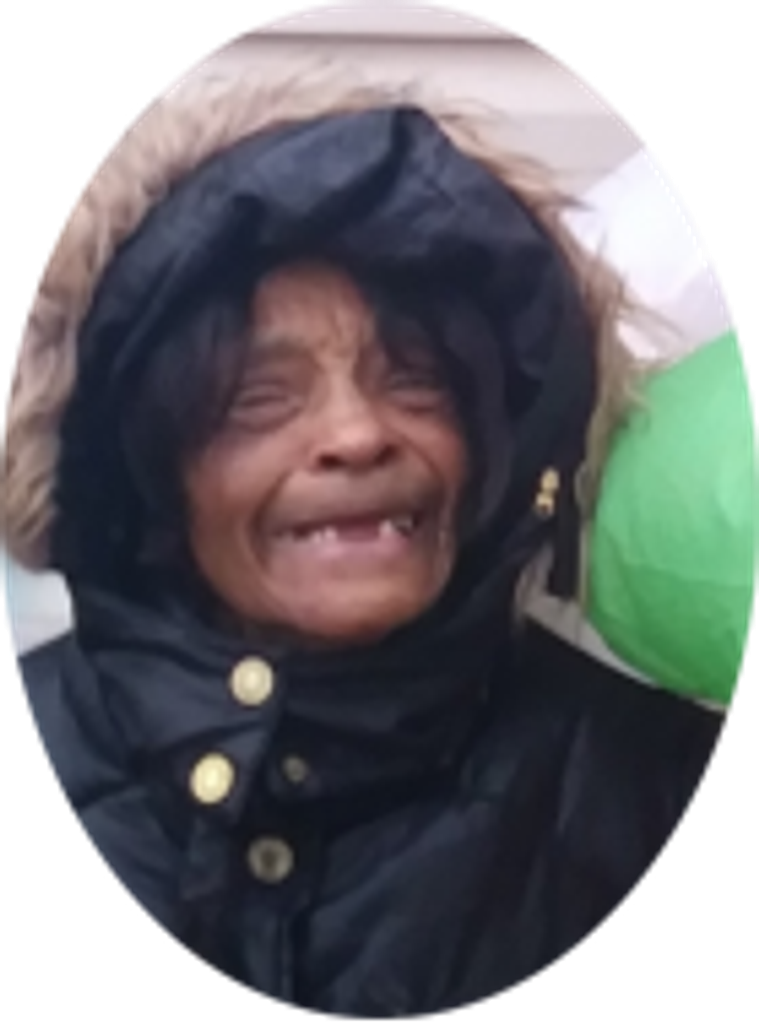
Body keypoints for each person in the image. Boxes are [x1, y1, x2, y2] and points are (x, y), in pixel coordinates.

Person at [3, 73, 727, 1017]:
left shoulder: (653, 787)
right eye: (257, 399)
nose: (357, 434)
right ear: (146, 475)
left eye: (416, 380)